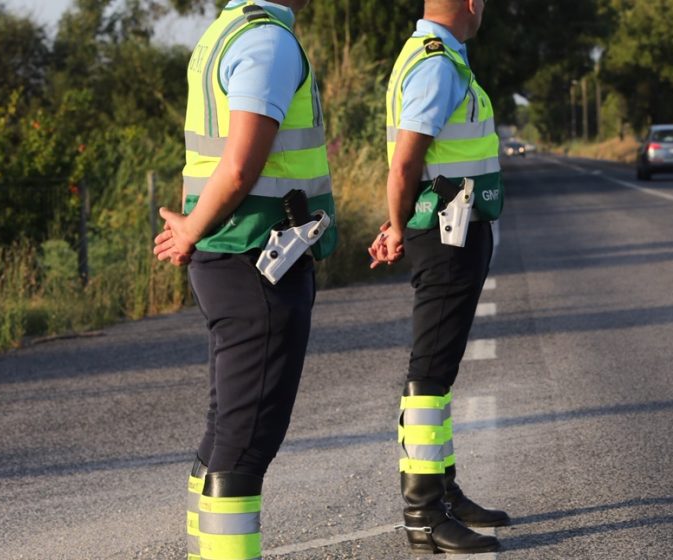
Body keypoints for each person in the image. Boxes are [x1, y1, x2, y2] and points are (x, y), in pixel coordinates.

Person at [154, 1, 336, 558]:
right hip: (258, 257)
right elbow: (239, 164)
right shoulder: (268, 40)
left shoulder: (225, 31)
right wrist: (190, 232)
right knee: (246, 439)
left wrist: (195, 232)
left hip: (236, 256)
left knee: (226, 428)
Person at [370, 0, 506, 554]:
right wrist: (399, 226)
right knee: (428, 373)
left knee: (440, 372)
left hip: (454, 224)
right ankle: (423, 513)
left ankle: (444, 493)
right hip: (447, 234)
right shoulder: (436, 64)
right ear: (471, 3)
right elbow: (405, 162)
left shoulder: (438, 56)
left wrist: (399, 221)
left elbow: (417, 163)